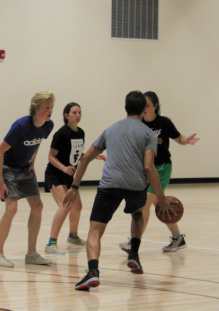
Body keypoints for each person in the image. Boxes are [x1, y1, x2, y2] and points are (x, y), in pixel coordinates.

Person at [64, 91, 174, 291]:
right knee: (138, 213)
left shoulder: (111, 129)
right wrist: (161, 197)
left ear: (125, 108)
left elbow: (87, 157)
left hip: (109, 184)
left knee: (95, 229)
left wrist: (74, 187)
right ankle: (134, 255)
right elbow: (149, 167)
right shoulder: (149, 134)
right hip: (136, 185)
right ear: (143, 109)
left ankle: (93, 272)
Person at [118, 91, 200, 253]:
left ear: (155, 106)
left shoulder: (164, 122)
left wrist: (187, 140)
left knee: (144, 204)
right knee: (160, 204)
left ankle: (134, 242)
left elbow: (178, 138)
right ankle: (178, 238)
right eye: (143, 105)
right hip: (145, 170)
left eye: (147, 105)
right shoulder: (139, 123)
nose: (144, 108)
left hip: (161, 169)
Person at [0, 92, 55, 268]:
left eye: (51, 107)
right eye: (46, 107)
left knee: (38, 206)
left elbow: (38, 142)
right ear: (36, 108)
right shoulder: (21, 126)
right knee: (12, 208)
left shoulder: (48, 126)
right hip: (8, 168)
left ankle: (32, 254)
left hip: (25, 168)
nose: (50, 111)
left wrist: (32, 163)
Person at [43, 102, 106, 255]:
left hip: (69, 177)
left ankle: (73, 236)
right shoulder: (61, 134)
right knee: (65, 206)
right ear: (66, 115)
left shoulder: (80, 133)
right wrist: (63, 167)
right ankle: (51, 243)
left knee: (77, 207)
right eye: (74, 112)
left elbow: (76, 154)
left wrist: (93, 156)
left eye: (79, 112)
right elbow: (51, 156)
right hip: (55, 174)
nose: (78, 115)